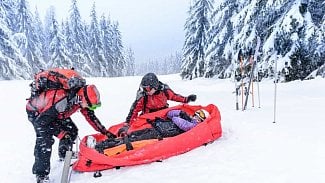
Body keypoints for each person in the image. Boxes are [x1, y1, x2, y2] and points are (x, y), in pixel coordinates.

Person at [26, 84, 115, 183]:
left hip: (54, 112)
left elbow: (91, 117)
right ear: (83, 99)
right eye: (90, 106)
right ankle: (41, 176)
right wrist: (61, 134)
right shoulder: (63, 100)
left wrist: (104, 131)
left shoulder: (79, 99)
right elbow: (42, 122)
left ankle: (64, 154)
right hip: (38, 114)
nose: (90, 108)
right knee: (45, 142)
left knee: (71, 130)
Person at [118, 73, 197, 136]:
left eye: (148, 88)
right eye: (144, 88)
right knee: (146, 132)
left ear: (155, 86)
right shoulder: (143, 96)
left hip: (163, 116)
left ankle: (190, 125)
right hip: (148, 118)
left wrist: (186, 99)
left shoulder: (164, 91)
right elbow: (134, 110)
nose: (146, 91)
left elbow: (174, 96)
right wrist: (127, 125)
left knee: (175, 120)